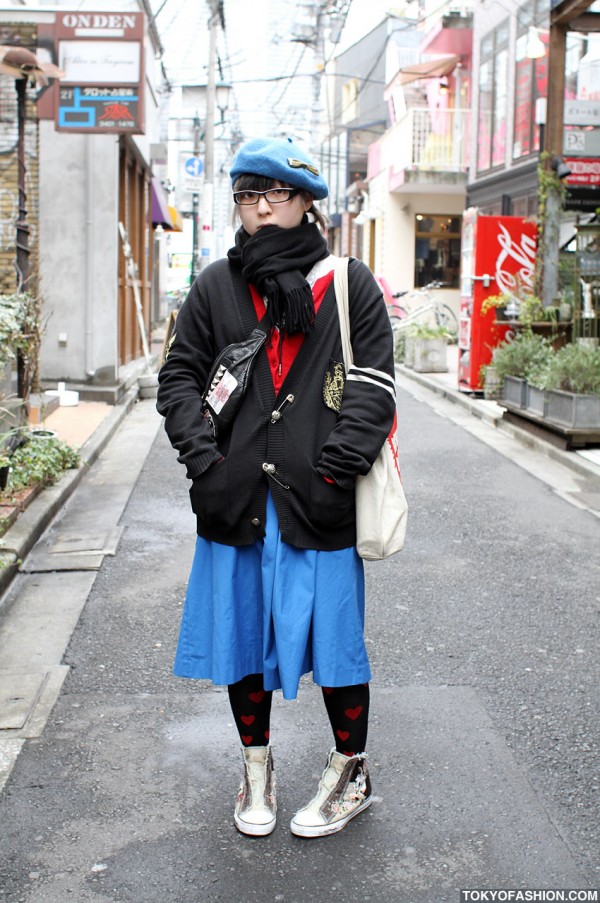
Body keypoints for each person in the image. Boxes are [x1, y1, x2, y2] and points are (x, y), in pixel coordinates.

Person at [156, 136, 396, 839]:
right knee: (243, 640)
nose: (260, 209)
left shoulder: (349, 284)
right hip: (234, 501)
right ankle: (255, 765)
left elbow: (373, 389)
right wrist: (204, 460)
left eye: (276, 195)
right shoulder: (215, 286)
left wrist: (333, 472)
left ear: (305, 202)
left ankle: (352, 768)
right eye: (248, 196)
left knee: (339, 644)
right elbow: (179, 378)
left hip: (318, 502)